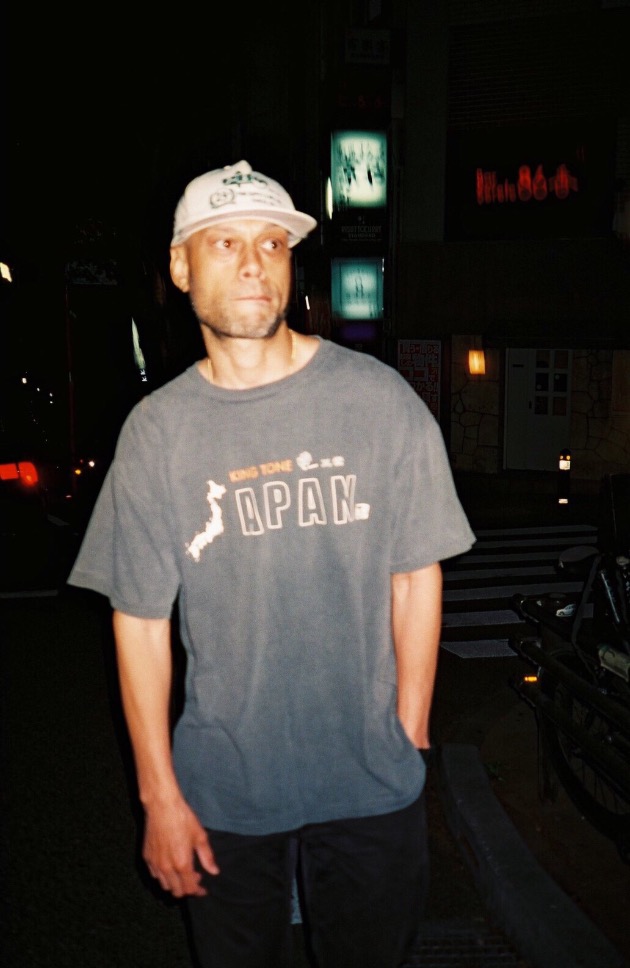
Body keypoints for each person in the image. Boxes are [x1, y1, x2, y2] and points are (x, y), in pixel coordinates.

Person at [68, 159, 475, 968]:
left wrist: (412, 736)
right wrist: (158, 795)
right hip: (225, 790)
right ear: (180, 267)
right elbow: (140, 622)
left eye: (273, 243)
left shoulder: (379, 401)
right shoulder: (157, 433)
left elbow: (415, 575)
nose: (254, 262)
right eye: (225, 242)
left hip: (369, 785)